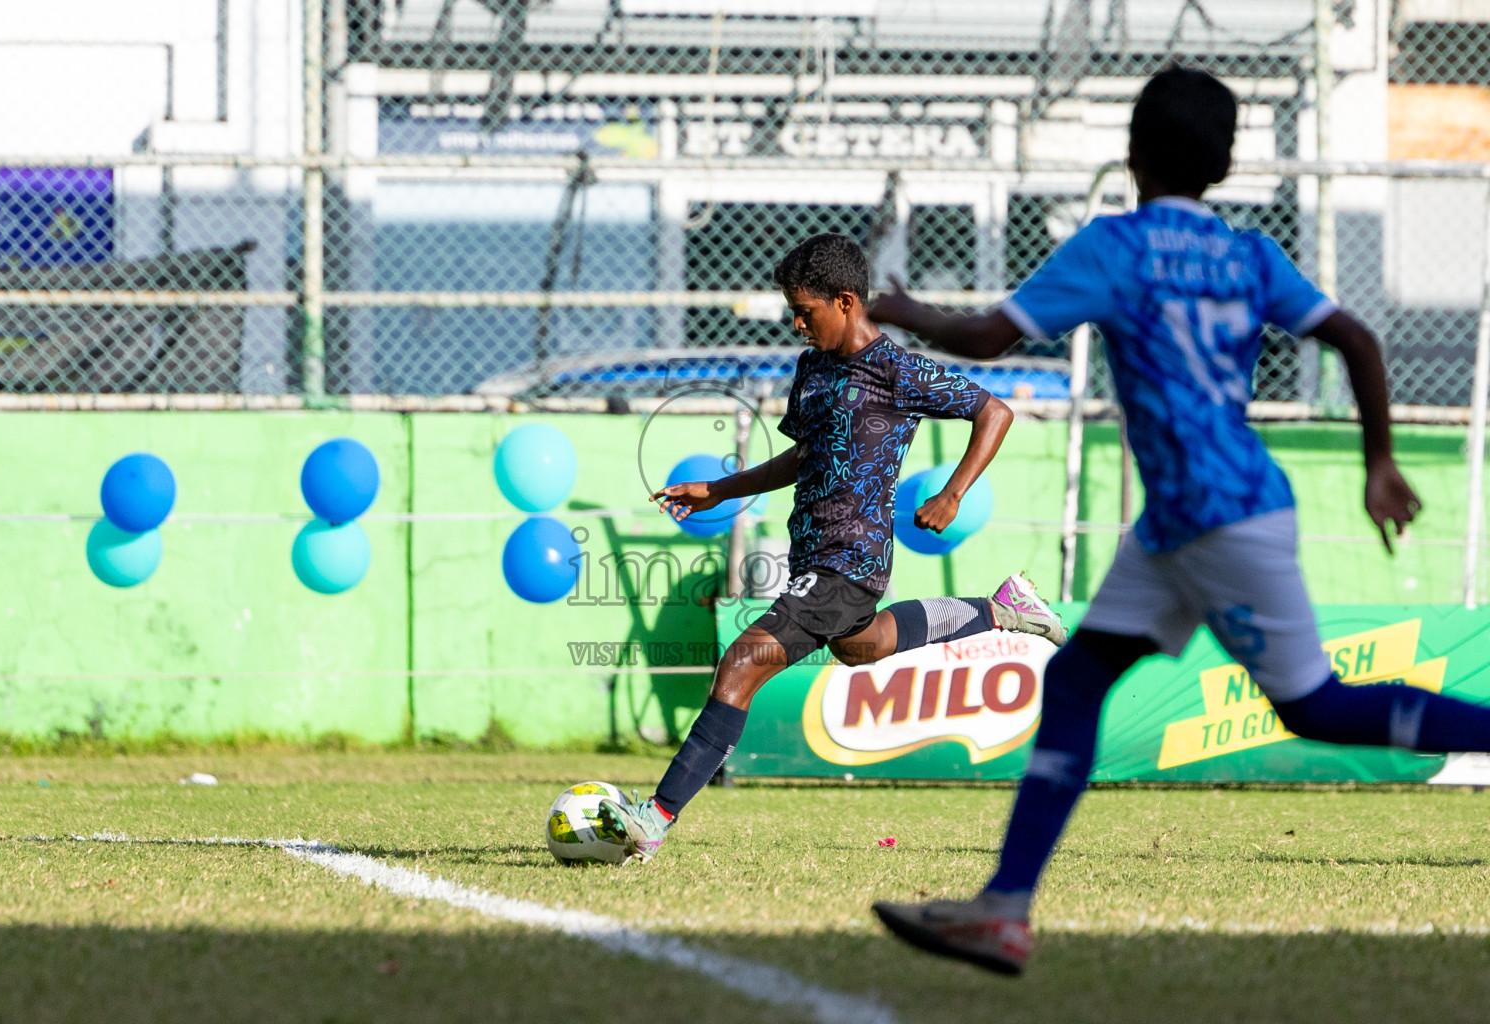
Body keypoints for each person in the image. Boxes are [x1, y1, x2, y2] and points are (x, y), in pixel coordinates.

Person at [862, 65, 1490, 976]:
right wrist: (1379, 464)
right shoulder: (1249, 256)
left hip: (1212, 518)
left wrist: (904, 310)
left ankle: (1003, 907)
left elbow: (991, 336)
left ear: (1132, 152)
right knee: (1077, 680)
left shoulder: (1116, 247)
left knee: (1313, 708)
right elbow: (1356, 337)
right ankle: (1002, 908)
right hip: (1203, 516)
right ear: (1226, 164)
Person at [598, 231, 1067, 862]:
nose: (795, 323)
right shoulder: (813, 367)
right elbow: (804, 455)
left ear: (845, 302)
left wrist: (953, 493)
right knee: (859, 647)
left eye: (805, 310)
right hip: (812, 553)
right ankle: (1001, 607)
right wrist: (720, 489)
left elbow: (995, 412)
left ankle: (653, 818)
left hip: (851, 558)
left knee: (742, 661)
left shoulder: (897, 368)